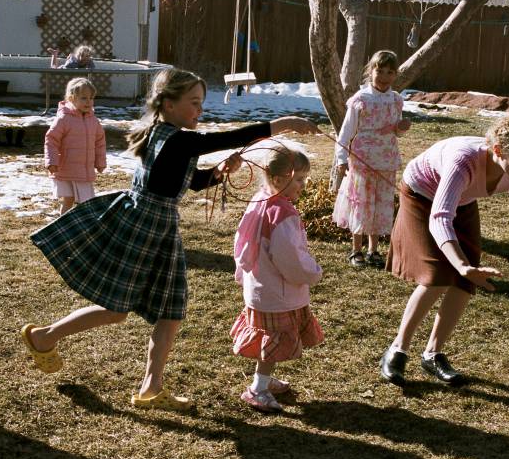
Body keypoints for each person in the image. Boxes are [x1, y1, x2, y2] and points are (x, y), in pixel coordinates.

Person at [21, 68, 319, 411]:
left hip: (160, 228)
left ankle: (151, 387)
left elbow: (190, 182)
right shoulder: (174, 137)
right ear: (168, 103)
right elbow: (218, 140)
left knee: (171, 310)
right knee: (118, 310)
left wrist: (218, 175)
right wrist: (279, 125)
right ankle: (44, 336)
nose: (200, 110)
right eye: (193, 102)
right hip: (145, 227)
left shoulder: (170, 136)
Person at [378, 111, 509, 387]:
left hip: (461, 201)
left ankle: (432, 354)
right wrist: (461, 265)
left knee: (466, 282)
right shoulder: (463, 160)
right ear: (498, 150)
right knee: (437, 275)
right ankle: (397, 349)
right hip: (421, 194)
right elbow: (440, 217)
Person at [230, 143, 323, 413]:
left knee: (268, 340)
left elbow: (241, 242)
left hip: (260, 285)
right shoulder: (282, 214)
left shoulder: (260, 201)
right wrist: (312, 273)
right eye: (299, 180)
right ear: (280, 179)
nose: (303, 186)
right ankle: (258, 388)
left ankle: (265, 379)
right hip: (276, 291)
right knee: (271, 342)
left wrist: (241, 270)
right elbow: (289, 258)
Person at [332, 49, 411, 268]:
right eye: (380, 71)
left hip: (385, 160)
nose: (384, 77)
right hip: (363, 160)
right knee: (363, 204)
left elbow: (395, 129)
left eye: (389, 72)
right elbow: (346, 132)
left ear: (395, 75)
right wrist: (341, 158)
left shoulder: (395, 100)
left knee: (380, 204)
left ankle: (373, 250)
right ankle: (356, 250)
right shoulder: (361, 100)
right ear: (371, 71)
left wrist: (401, 129)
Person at [44, 77, 106, 215]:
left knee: (87, 200)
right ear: (72, 98)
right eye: (84, 98)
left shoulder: (93, 120)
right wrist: (52, 161)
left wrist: (100, 162)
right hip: (67, 168)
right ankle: (63, 223)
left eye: (91, 98)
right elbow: (51, 140)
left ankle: (82, 225)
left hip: (84, 169)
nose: (88, 102)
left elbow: (100, 142)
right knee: (69, 198)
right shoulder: (64, 119)